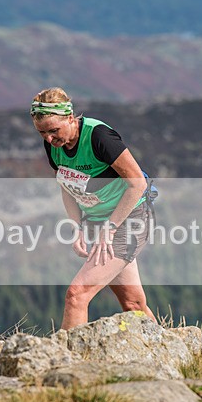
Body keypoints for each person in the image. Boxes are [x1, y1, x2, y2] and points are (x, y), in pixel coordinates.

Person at [31, 87, 157, 330]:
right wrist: (77, 227)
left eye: (54, 130)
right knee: (133, 304)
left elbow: (137, 184)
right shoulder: (54, 144)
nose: (48, 139)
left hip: (129, 219)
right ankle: (173, 357)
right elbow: (66, 185)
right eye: (42, 133)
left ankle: (68, 366)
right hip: (99, 222)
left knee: (76, 295)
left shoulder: (99, 137)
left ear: (70, 117)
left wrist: (110, 229)